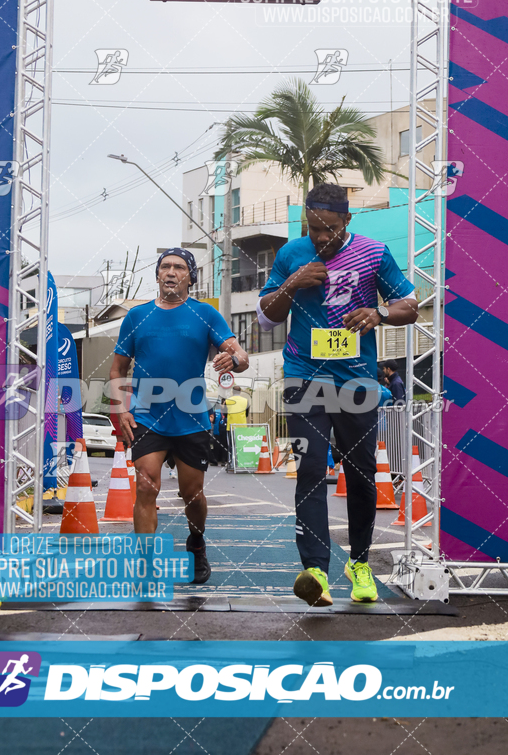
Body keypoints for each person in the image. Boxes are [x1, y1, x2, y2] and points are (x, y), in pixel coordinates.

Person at [257, 183, 418, 606]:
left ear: (347, 220)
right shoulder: (293, 253)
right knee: (310, 469)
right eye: (314, 229)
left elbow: (411, 305)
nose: (321, 238)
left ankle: (359, 563)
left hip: (357, 380)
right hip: (304, 376)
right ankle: (315, 570)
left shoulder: (374, 253)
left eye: (329, 229)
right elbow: (265, 318)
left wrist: (378, 313)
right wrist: (292, 283)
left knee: (362, 474)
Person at [109, 247, 248, 584]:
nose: (171, 272)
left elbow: (240, 356)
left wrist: (235, 359)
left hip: (190, 416)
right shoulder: (136, 316)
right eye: (165, 267)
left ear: (191, 277)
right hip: (147, 416)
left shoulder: (205, 314)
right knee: (146, 485)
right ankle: (145, 564)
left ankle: (196, 542)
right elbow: (117, 369)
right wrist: (120, 407)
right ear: (157, 275)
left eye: (179, 267)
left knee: (192, 494)